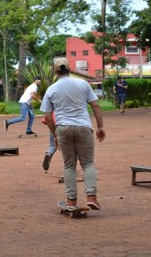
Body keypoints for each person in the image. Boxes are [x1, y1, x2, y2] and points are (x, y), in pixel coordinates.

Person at [40, 57, 105, 210]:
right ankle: (91, 197)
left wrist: (56, 134)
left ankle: (71, 201)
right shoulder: (83, 84)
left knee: (69, 165)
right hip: (83, 127)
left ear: (55, 71)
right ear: (69, 69)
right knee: (88, 163)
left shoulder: (51, 89)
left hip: (63, 128)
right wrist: (100, 127)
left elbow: (48, 118)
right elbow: (96, 106)